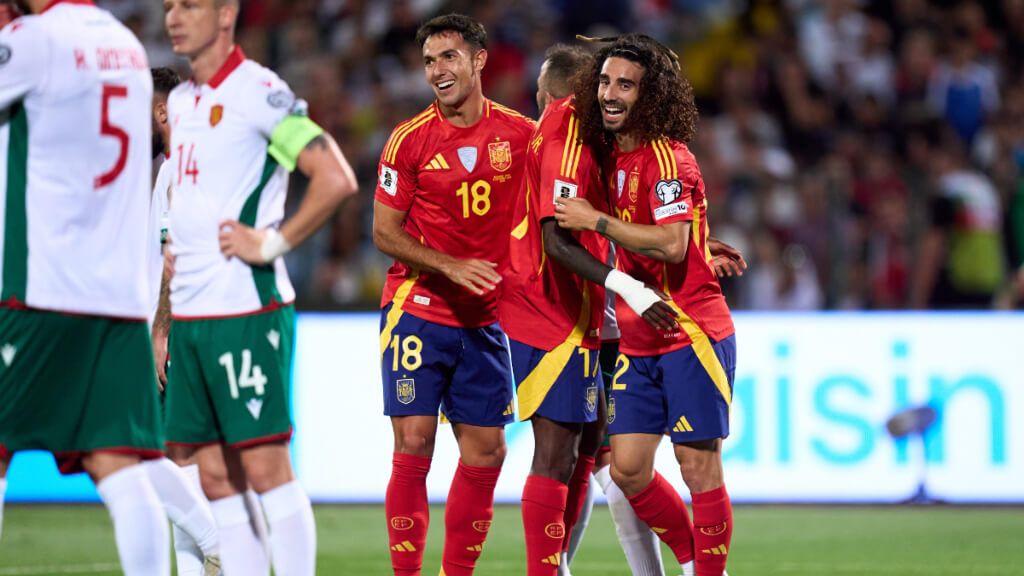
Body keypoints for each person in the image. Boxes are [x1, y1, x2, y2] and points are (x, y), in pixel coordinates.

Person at [159, 1, 358, 574]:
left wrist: (272, 244)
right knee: (216, 475)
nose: (173, 16)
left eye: (189, 5)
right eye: (168, 5)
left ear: (226, 14)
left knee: (267, 468)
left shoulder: (260, 91)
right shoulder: (180, 101)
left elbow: (335, 177)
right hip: (193, 314)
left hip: (245, 307)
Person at [556, 34, 737, 576]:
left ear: (650, 96)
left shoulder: (665, 156)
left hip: (690, 331)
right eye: (605, 82)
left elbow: (673, 243)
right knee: (629, 470)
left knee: (697, 466)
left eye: (625, 85)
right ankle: (695, 561)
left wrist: (596, 221)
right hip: (638, 337)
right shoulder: (610, 154)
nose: (611, 94)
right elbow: (683, 236)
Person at [0, 0, 169, 573]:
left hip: (40, 288)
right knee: (120, 466)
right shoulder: (126, 47)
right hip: (116, 299)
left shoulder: (34, 39)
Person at [500, 43, 680, 576]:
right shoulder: (561, 132)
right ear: (580, 90)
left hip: (589, 315)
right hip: (552, 314)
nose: (610, 95)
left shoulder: (593, 138)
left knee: (598, 458)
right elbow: (556, 239)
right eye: (604, 85)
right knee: (560, 455)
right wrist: (629, 286)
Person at [372, 13, 535, 576]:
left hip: (485, 318)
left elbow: (567, 194)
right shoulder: (409, 140)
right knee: (414, 442)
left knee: (487, 452)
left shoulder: (520, 134)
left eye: (448, 58)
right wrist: (449, 265)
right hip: (417, 308)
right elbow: (383, 233)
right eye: (429, 62)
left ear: (479, 60)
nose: (437, 71)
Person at [146, 66, 222, 576]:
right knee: (180, 463)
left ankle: (217, 539)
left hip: (183, 328)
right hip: (198, 324)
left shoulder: (182, 168)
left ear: (157, 112)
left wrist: (161, 328)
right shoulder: (179, 164)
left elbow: (178, 250)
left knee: (133, 457)